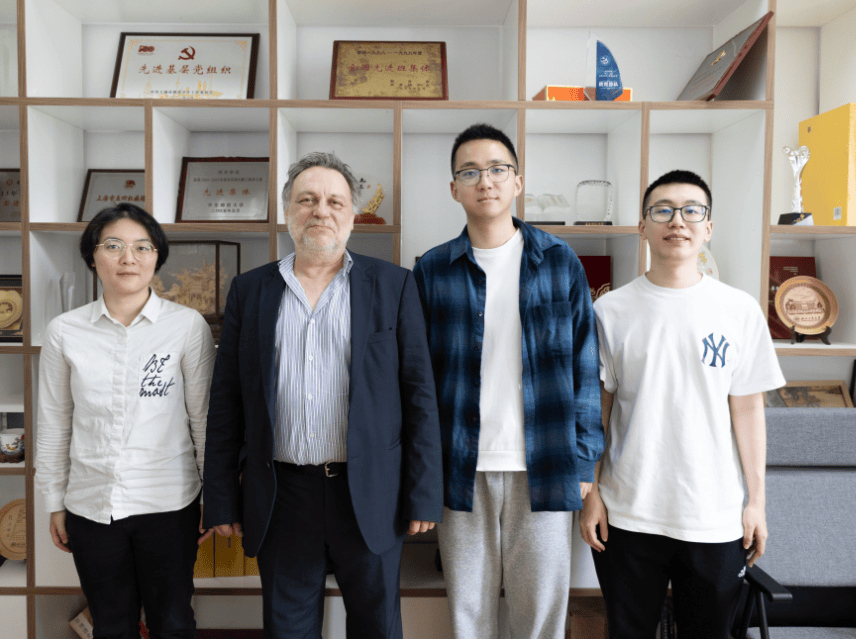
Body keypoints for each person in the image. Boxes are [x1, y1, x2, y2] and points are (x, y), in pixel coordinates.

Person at [202, 151, 443, 639]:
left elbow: (419, 395)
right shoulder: (250, 291)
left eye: (335, 201)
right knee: (287, 628)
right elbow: (227, 402)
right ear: (287, 211)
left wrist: (424, 494)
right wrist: (222, 498)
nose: (321, 211)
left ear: (353, 215)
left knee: (377, 627)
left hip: (371, 490)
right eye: (307, 199)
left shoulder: (394, 285)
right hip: (282, 494)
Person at [412, 123, 604, 639]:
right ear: (454, 188)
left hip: (545, 463)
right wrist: (421, 472)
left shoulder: (559, 261)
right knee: (468, 615)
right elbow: (418, 383)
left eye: (498, 169)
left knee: (540, 617)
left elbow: (584, 367)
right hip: (460, 468)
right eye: (470, 172)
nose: (485, 181)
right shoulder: (433, 270)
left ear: (518, 181)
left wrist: (584, 461)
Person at [581, 170, 785, 639]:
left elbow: (748, 411)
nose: (678, 221)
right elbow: (597, 412)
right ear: (643, 225)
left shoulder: (739, 310)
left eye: (692, 210)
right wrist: (591, 496)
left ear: (708, 227)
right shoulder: (609, 311)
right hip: (627, 512)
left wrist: (757, 502)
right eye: (663, 210)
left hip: (714, 515)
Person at [35, 202, 216, 639]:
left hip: (170, 503)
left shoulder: (187, 326)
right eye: (113, 246)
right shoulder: (64, 331)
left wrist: (214, 496)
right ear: (92, 255)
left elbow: (204, 419)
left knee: (173, 622)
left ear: (157, 257)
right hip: (92, 505)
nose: (128, 258)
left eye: (142, 247)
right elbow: (54, 422)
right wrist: (55, 501)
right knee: (111, 625)